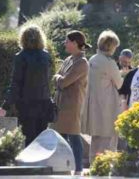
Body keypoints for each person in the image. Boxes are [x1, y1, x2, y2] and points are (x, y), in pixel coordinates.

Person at [0, 25, 52, 146]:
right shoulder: (46, 56)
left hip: (26, 104)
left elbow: (16, 83)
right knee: (41, 139)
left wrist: (5, 105)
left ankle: (29, 164)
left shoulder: (21, 57)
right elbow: (48, 81)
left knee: (28, 138)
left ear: (23, 39)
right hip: (44, 102)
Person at [81, 30, 123, 164]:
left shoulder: (92, 59)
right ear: (111, 46)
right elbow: (119, 84)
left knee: (95, 141)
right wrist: (124, 73)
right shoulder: (109, 62)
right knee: (109, 142)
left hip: (94, 106)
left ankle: (95, 168)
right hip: (107, 107)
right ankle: (105, 170)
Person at [53, 30, 91, 175]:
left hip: (73, 106)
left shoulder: (82, 63)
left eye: (67, 41)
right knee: (62, 137)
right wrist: (58, 78)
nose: (65, 43)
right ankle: (64, 166)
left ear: (75, 43)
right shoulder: (69, 59)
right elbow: (59, 78)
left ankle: (78, 169)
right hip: (62, 105)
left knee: (74, 137)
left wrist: (58, 78)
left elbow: (63, 82)